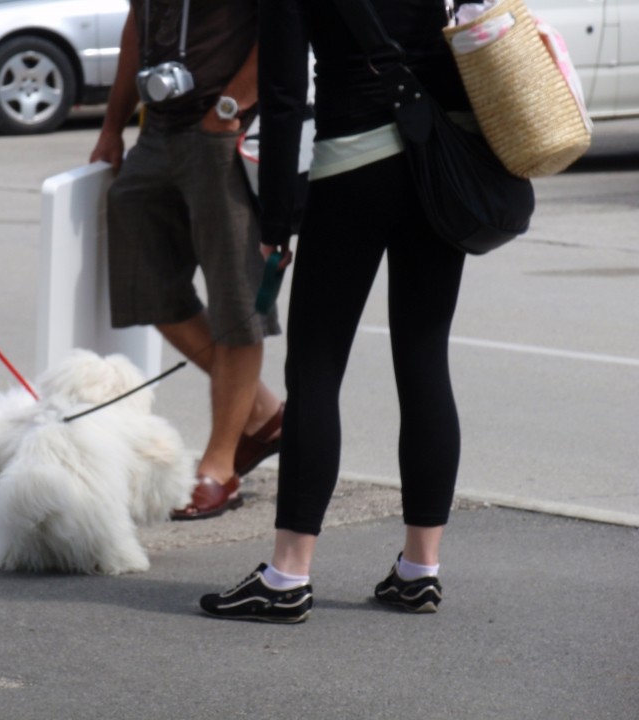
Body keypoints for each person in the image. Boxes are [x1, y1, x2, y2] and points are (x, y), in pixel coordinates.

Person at [200, 0, 475, 621]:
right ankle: (419, 569)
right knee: (425, 357)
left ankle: (287, 575)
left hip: (353, 164)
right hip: (440, 159)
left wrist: (276, 220)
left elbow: (283, 89)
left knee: (317, 370)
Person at [89, 0, 284, 520]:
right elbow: (138, 25)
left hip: (228, 128)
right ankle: (264, 413)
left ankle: (219, 467)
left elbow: (287, 27)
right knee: (143, 284)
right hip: (160, 128)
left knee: (238, 300)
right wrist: (113, 125)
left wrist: (229, 108)